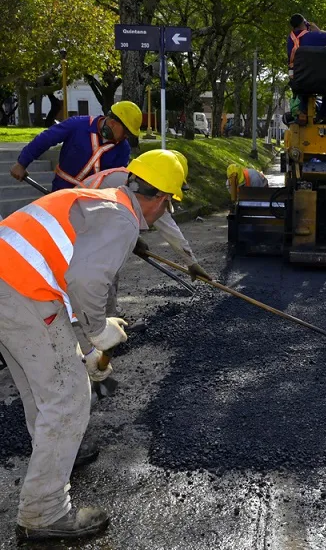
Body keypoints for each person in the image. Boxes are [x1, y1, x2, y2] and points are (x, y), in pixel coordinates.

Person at [0, 149, 184, 541]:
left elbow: (65, 273)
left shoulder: (104, 197)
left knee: (42, 389)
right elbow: (86, 281)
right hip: (21, 290)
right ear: (163, 200)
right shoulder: (122, 220)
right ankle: (43, 512)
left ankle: (54, 457)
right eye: (167, 205)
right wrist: (98, 333)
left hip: (11, 283)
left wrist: (83, 347)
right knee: (68, 396)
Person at [81, 149, 210, 320]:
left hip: (87, 222)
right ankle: (103, 324)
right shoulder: (141, 189)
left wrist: (135, 241)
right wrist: (191, 263)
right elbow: (167, 227)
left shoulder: (133, 180)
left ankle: (104, 319)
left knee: (105, 270)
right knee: (106, 271)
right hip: (83, 228)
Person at [9, 101, 142, 192]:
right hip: (62, 191)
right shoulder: (78, 125)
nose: (126, 137)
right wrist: (22, 163)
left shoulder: (123, 149)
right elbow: (45, 139)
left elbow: (116, 179)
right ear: (113, 123)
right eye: (126, 132)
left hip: (92, 201)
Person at [287, 13, 326, 124]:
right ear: (304, 24)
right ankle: (321, 116)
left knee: (304, 85)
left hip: (299, 82)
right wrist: (319, 31)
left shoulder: (290, 40)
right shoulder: (312, 36)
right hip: (321, 83)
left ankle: (302, 112)